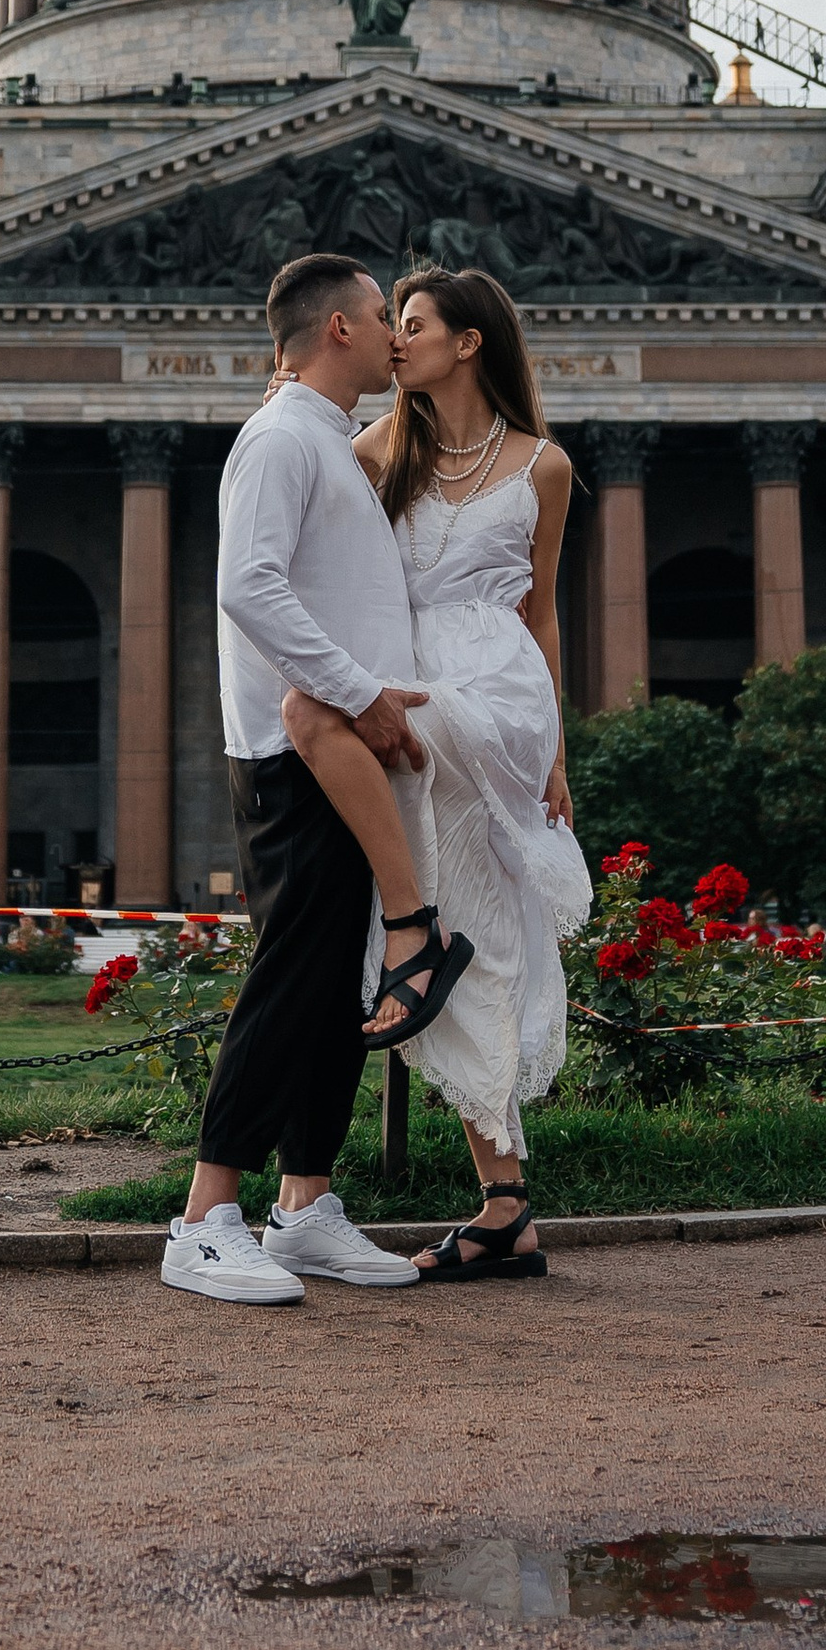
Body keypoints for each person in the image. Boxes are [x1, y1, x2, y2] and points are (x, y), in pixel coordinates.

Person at [162, 253, 470, 1307]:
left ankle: (303, 1206)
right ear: (336, 329)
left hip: (341, 750)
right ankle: (204, 1220)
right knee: (291, 979)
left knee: (337, 986)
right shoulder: (282, 436)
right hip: (299, 753)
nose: (395, 333)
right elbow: (244, 584)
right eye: (383, 314)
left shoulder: (325, 443)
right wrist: (359, 693)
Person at [281, 267, 587, 1282]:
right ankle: (505, 1205)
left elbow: (540, 614)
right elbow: (294, 455)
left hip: (490, 703)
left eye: (410, 326)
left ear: (468, 343)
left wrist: (555, 751)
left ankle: (497, 1195)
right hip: (413, 694)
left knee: (474, 922)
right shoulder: (380, 449)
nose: (393, 341)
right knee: (478, 935)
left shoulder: (544, 465)